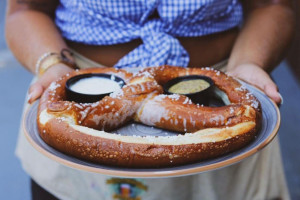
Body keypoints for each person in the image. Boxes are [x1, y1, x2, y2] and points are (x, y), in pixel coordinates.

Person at [5, 0, 295, 199]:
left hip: (216, 90)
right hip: (80, 86)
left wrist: (248, 64)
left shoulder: (233, 104)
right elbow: (26, 9)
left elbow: (271, 4)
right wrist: (55, 67)